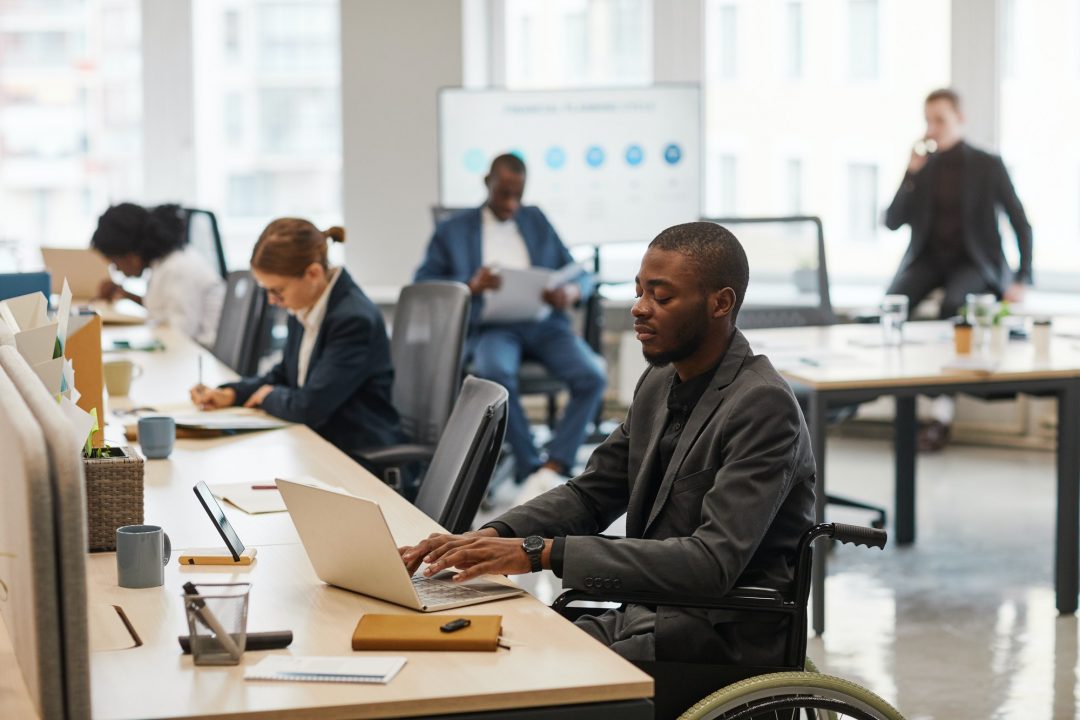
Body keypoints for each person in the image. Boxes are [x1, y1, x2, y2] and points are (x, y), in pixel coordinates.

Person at [401, 222, 817, 665]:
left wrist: (541, 553)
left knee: (519, 676)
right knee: (495, 649)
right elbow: (592, 493)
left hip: (718, 636)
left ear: (720, 302)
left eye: (661, 296)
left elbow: (709, 563)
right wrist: (491, 535)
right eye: (639, 292)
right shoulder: (660, 381)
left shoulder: (762, 404)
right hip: (652, 615)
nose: (640, 308)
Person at [414, 154, 606, 497]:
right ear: (487, 183)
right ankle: (529, 465)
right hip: (492, 328)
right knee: (496, 375)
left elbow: (579, 273)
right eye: (504, 194)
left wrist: (570, 291)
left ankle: (555, 465)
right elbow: (425, 285)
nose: (511, 203)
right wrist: (471, 285)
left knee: (592, 375)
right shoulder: (453, 230)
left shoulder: (535, 220)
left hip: (545, 324)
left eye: (518, 194)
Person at [884, 88, 1033, 450]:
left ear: (960, 119)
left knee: (955, 306)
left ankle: (941, 415)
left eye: (940, 120)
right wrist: (910, 173)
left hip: (974, 261)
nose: (932, 129)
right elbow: (891, 221)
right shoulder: (924, 167)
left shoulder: (987, 164)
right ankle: (900, 400)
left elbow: (1020, 222)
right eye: (928, 121)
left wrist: (1022, 277)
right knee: (892, 302)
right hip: (929, 259)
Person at [190, 218, 403, 466]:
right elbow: (283, 376)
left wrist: (267, 396)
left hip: (355, 459)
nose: (272, 301)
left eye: (277, 290)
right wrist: (232, 393)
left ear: (313, 273)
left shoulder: (353, 319)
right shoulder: (304, 305)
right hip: (316, 449)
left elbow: (309, 406)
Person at [92, 203, 225, 346]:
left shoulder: (176, 268)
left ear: (131, 255)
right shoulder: (166, 264)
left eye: (114, 261)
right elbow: (162, 312)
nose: (117, 269)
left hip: (203, 357)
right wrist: (127, 295)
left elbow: (179, 334)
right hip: (192, 354)